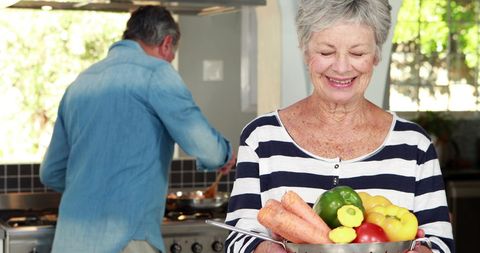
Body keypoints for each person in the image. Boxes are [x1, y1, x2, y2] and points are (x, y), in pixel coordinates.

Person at [224, 1, 454, 253]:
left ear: (376, 55)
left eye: (357, 53)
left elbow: (440, 242)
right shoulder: (261, 138)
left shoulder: (413, 144)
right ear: (305, 51)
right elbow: (239, 238)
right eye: (326, 52)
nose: (342, 68)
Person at [40, 5, 236, 253]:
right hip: (125, 240)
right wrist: (225, 154)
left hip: (69, 241)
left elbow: (51, 172)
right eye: (172, 53)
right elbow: (208, 150)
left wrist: (92, 186)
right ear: (166, 43)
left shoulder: (81, 83)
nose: (171, 60)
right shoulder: (156, 74)